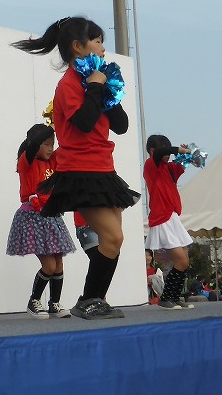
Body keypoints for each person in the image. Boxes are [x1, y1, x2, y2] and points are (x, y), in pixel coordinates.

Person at [12, 17, 138, 320]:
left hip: (104, 169)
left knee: (115, 239)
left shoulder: (95, 80)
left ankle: (94, 299)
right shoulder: (68, 85)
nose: (103, 47)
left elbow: (121, 126)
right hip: (81, 172)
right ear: (78, 47)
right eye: (97, 41)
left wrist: (107, 92)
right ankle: (89, 300)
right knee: (112, 238)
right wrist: (94, 87)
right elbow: (83, 123)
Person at [6, 124, 75, 319]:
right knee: (49, 266)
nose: (50, 148)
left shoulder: (51, 161)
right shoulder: (26, 161)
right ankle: (34, 301)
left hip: (51, 215)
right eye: (46, 144)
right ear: (35, 144)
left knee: (58, 263)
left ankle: (54, 303)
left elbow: (67, 144)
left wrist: (61, 123)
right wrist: (51, 127)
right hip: (33, 217)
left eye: (52, 144)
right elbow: (33, 144)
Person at [143, 134, 195, 311]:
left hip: (172, 217)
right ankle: (166, 298)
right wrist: (177, 149)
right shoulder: (151, 165)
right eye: (165, 151)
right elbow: (161, 153)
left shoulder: (168, 167)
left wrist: (186, 153)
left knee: (185, 261)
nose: (168, 155)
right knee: (181, 260)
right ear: (153, 151)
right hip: (162, 218)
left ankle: (174, 296)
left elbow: (183, 164)